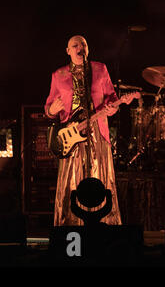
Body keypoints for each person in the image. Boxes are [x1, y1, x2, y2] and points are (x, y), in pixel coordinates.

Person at [45, 35, 130, 226]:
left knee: (99, 175)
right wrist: (52, 110)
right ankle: (71, 224)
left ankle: (104, 224)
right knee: (73, 178)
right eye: (75, 45)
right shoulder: (58, 75)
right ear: (68, 51)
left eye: (83, 44)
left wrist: (112, 107)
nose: (79, 47)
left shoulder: (100, 69)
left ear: (88, 49)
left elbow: (111, 98)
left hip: (97, 132)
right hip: (71, 135)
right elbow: (49, 107)